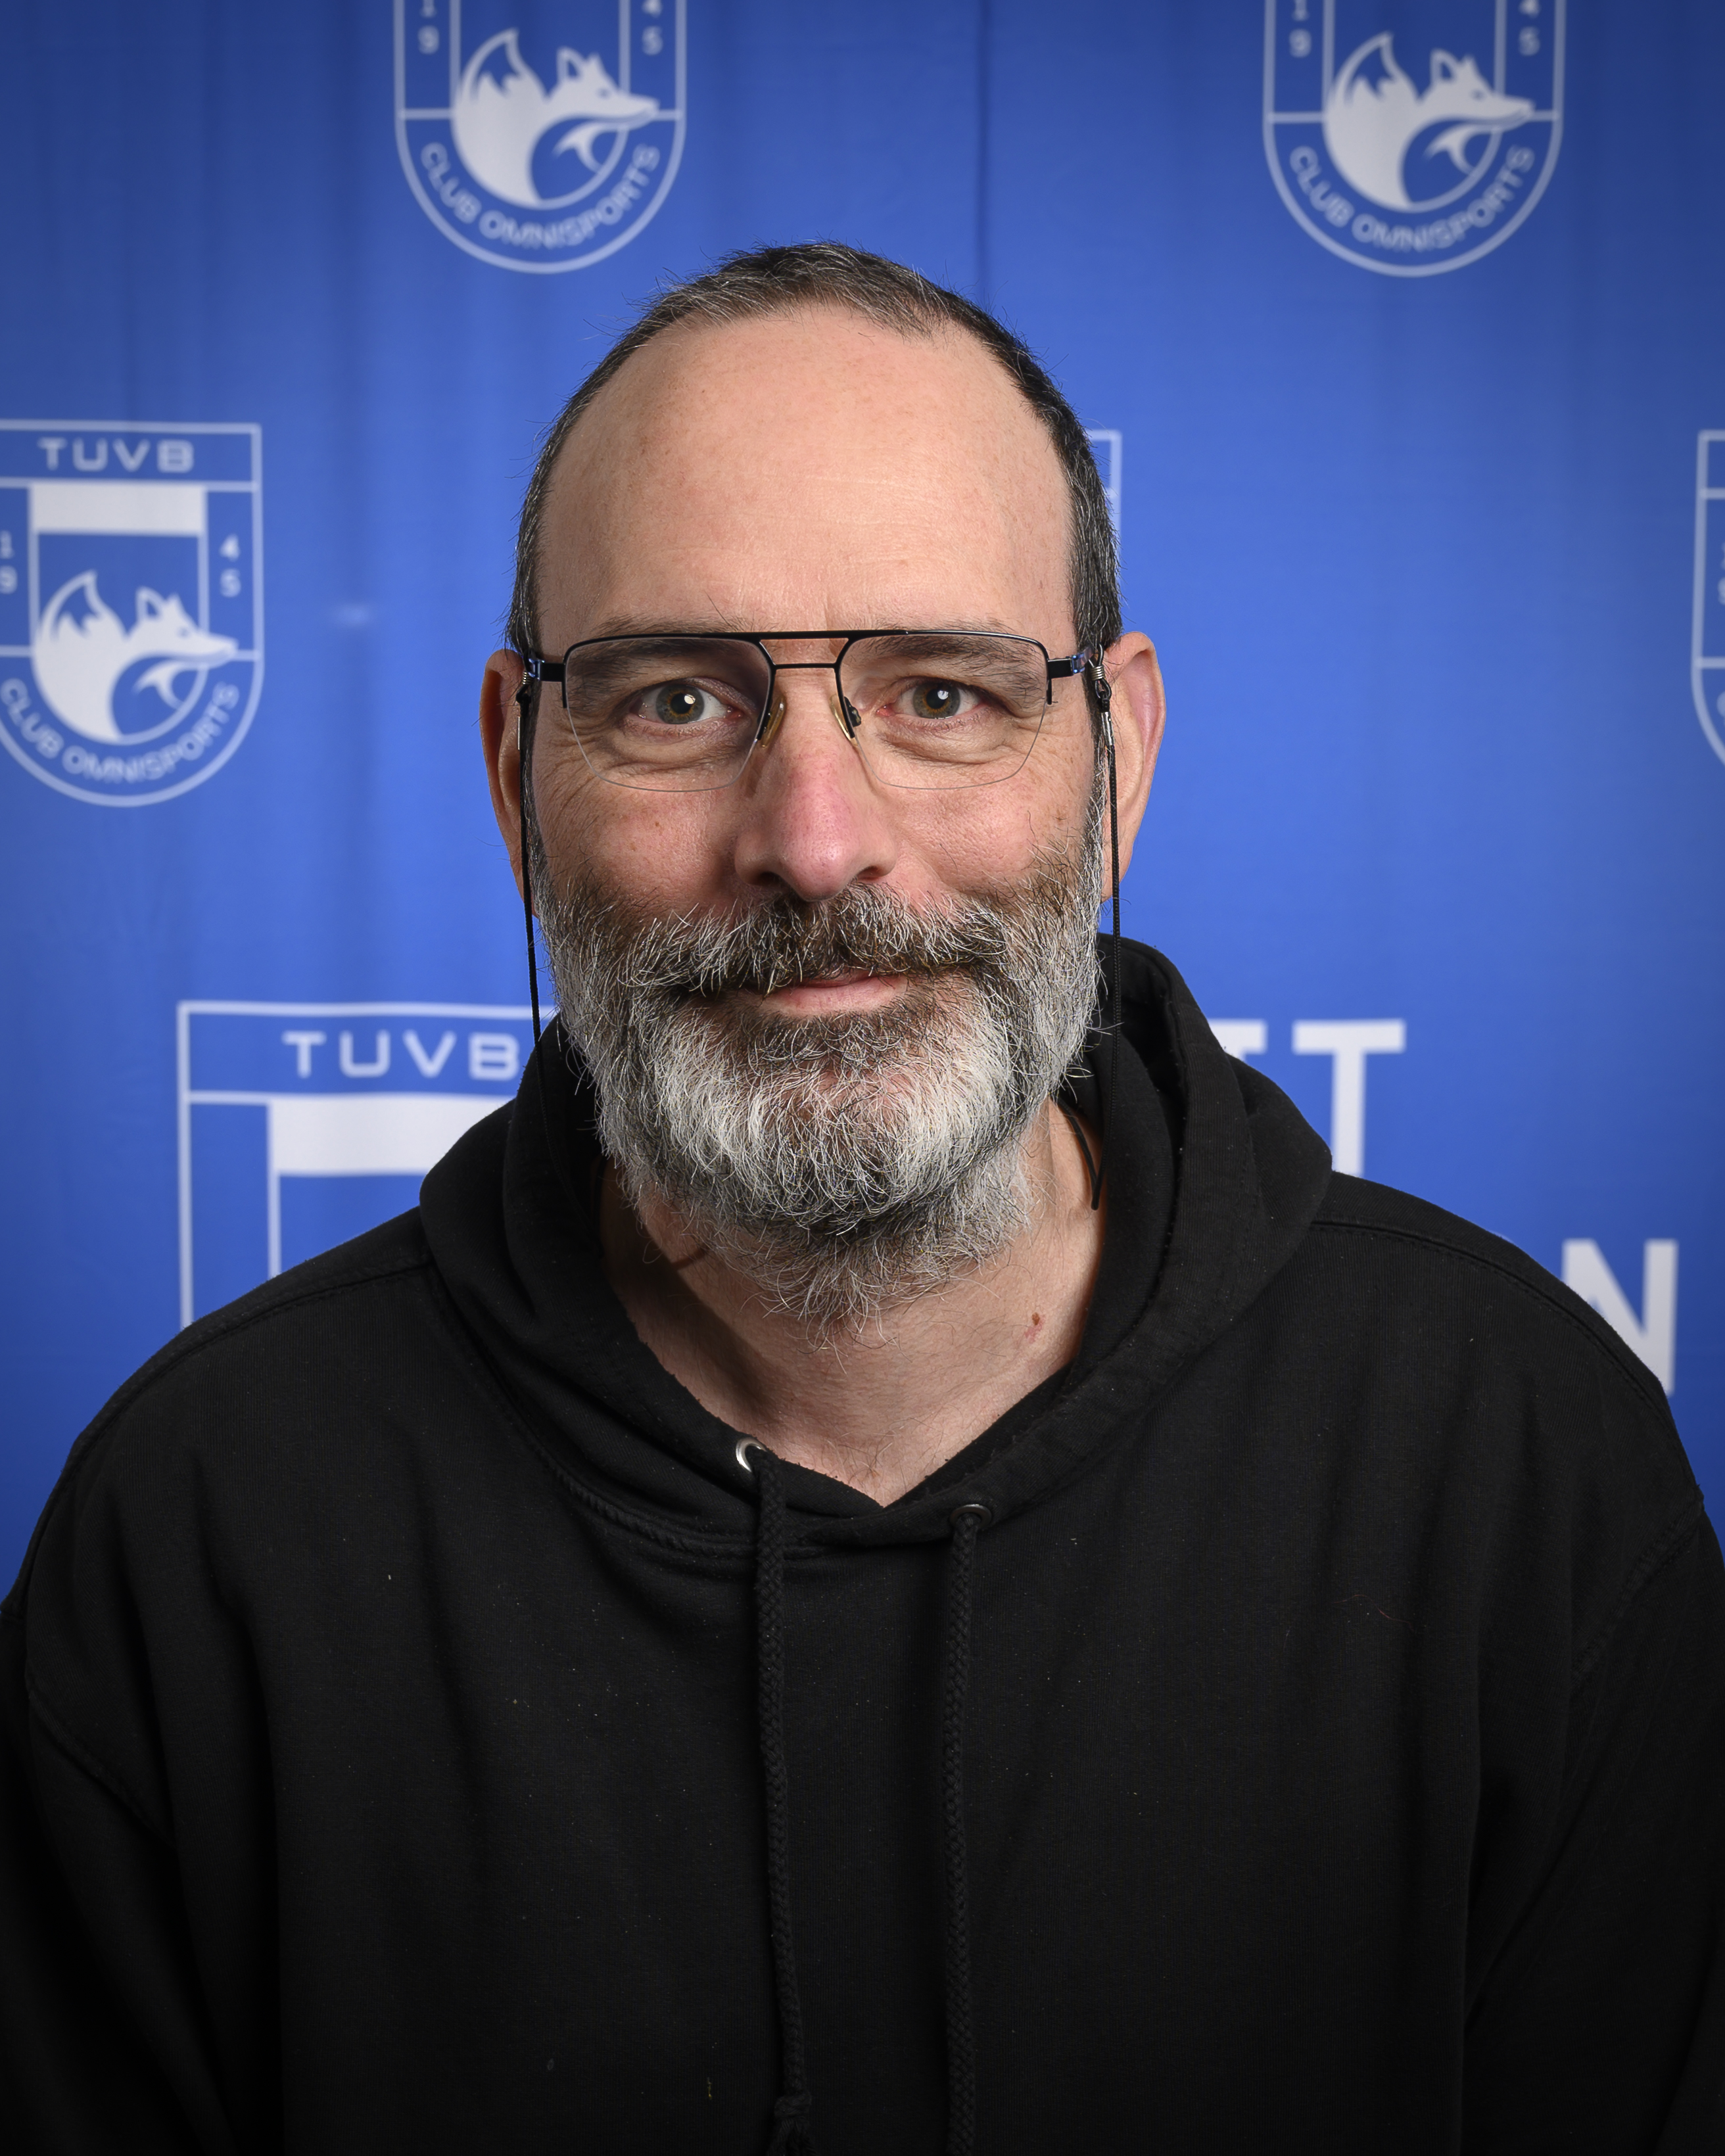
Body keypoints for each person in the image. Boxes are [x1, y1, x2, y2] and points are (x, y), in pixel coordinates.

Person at [3, 243, 1721, 2154]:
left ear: (1118, 756)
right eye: (677, 699)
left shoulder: (1520, 1468)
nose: (818, 842)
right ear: (515, 770)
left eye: (944, 694)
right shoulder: (201, 1530)